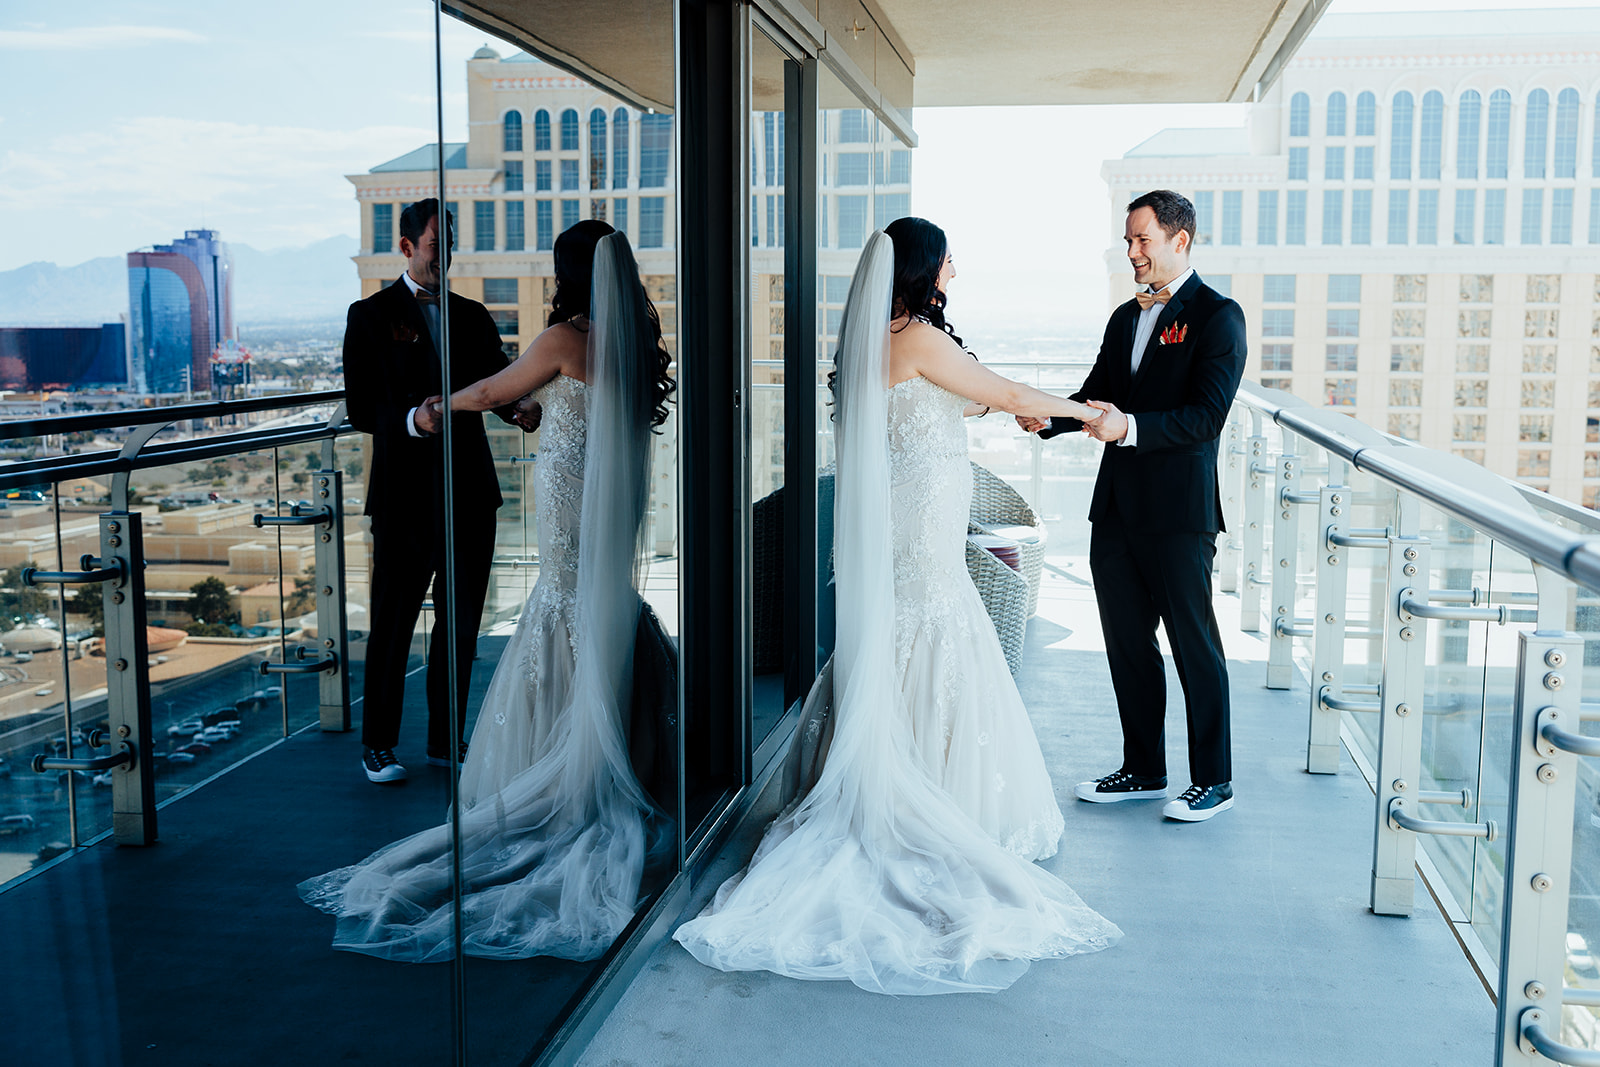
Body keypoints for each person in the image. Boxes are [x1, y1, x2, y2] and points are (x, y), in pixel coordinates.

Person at [673, 222, 1120, 995]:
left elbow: (957, 401)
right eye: (948, 255)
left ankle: (912, 763)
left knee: (918, 624)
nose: (956, 266)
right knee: (936, 619)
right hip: (922, 516)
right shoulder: (915, 334)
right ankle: (934, 790)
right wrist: (1090, 414)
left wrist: (1008, 412)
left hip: (913, 506)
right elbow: (1005, 390)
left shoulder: (885, 340)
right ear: (921, 267)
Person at [299, 223, 677, 961]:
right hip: (610, 494)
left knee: (563, 598)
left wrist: (447, 405)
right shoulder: (626, 335)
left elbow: (497, 385)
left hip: (569, 494)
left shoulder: (567, 336)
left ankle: (556, 756)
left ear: (568, 273)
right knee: (587, 601)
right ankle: (592, 743)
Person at [1020, 189, 1245, 823]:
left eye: (1143, 240)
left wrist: (1131, 429)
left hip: (1179, 514)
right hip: (1116, 508)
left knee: (1193, 646)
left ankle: (1214, 781)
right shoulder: (1125, 316)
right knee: (1126, 643)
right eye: (1128, 241)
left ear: (1182, 240)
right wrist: (1051, 419)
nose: (1133, 253)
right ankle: (1144, 768)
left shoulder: (1219, 316)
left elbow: (1205, 418)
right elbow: (1097, 394)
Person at [341, 197, 525, 785]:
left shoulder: (471, 314)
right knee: (393, 622)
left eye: (448, 242)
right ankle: (378, 744)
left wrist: (519, 409)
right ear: (405, 248)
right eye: (432, 244)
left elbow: (497, 380)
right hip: (404, 496)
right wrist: (411, 421)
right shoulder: (368, 315)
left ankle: (446, 740)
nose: (442, 255)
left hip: (471, 492)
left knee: (461, 624)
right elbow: (361, 407)